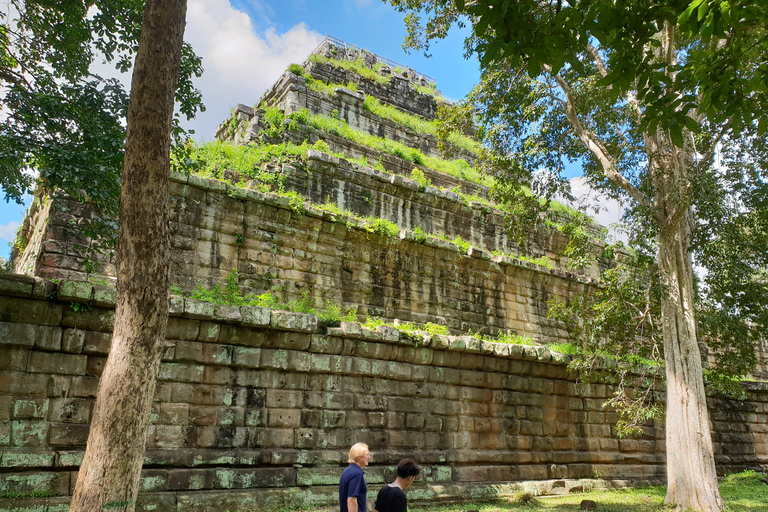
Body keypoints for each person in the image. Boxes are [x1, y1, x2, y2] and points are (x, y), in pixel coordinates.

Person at [339, 442, 372, 512]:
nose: (369, 457)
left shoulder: (347, 471)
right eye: (367, 455)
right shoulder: (357, 474)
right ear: (358, 457)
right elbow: (351, 500)